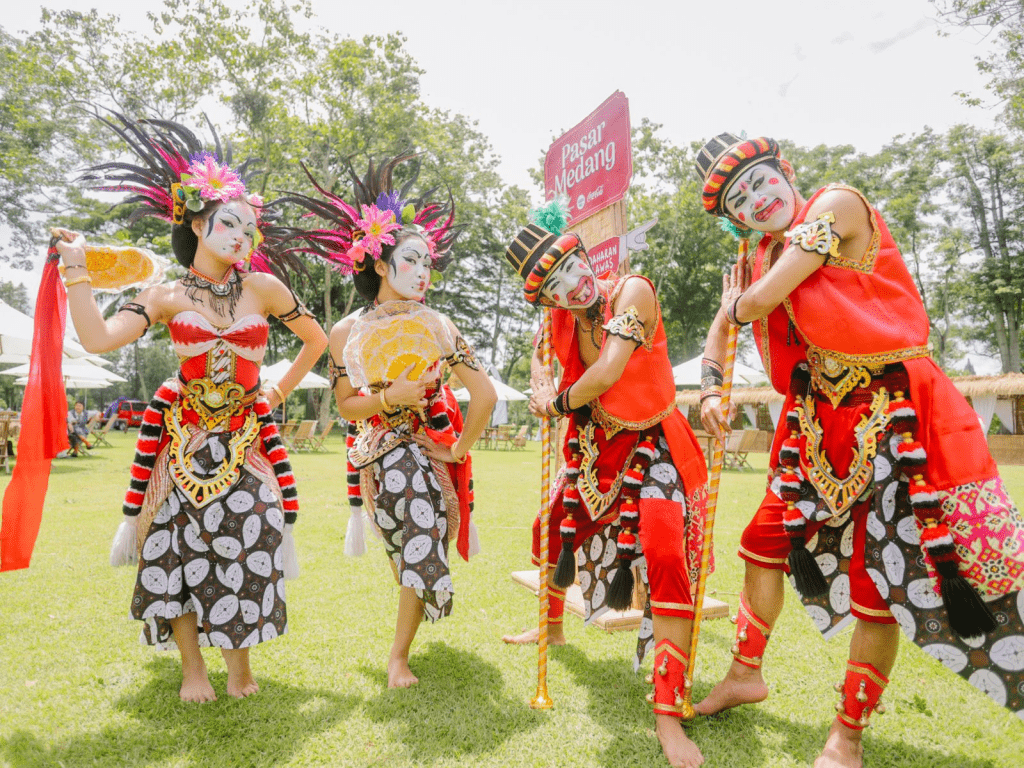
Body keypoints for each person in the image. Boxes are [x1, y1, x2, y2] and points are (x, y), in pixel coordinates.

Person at [694, 133, 1024, 767]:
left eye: (762, 181)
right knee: (762, 542)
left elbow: (756, 302)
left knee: (883, 579)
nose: (758, 200)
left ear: (785, 171)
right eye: (741, 200)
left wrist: (741, 300)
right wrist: (711, 388)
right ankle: (744, 673)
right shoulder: (761, 256)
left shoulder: (836, 204)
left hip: (898, 412)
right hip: (817, 425)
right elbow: (723, 327)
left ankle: (847, 733)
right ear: (735, 218)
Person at [54, 113, 327, 703]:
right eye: (231, 223)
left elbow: (318, 342)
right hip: (179, 442)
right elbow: (99, 340)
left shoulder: (265, 289)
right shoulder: (165, 295)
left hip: (244, 440)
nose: (243, 237)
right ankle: (192, 670)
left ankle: (240, 669)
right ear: (199, 226)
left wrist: (276, 394)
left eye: (251, 229)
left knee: (252, 538)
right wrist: (77, 269)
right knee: (177, 546)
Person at [501, 200, 711, 768]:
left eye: (572, 265)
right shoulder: (560, 321)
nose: (572, 284)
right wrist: (542, 386)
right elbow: (544, 369)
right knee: (549, 531)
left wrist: (558, 402)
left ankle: (669, 716)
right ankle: (552, 630)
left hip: (655, 444)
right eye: (554, 286)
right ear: (545, 300)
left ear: (584, 253)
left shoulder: (632, 292)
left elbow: (609, 371)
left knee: (667, 558)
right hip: (597, 449)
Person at [282, 154, 496, 689]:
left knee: (422, 535)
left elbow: (484, 395)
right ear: (379, 264)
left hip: (434, 441)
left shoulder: (440, 325)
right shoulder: (344, 332)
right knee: (417, 530)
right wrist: (390, 396)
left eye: (429, 262)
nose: (424, 271)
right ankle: (404, 646)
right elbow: (348, 406)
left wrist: (459, 449)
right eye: (412, 260)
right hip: (380, 449)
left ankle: (399, 654)